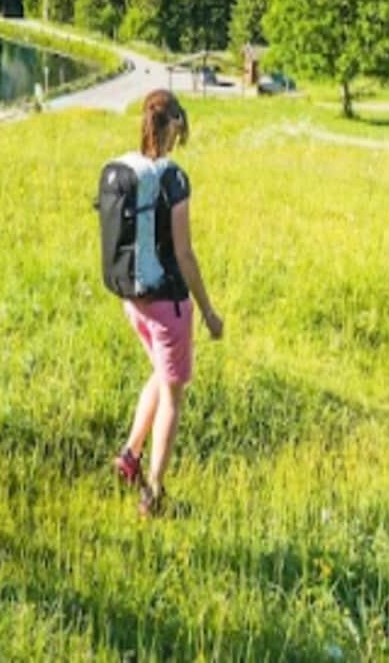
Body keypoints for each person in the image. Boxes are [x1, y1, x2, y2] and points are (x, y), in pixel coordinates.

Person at [108, 90, 222, 518]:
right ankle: (154, 494)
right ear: (174, 124)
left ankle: (130, 456)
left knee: (160, 372)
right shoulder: (173, 179)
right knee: (173, 396)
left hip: (133, 299)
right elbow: (184, 253)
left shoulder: (130, 169)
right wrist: (208, 311)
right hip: (168, 304)